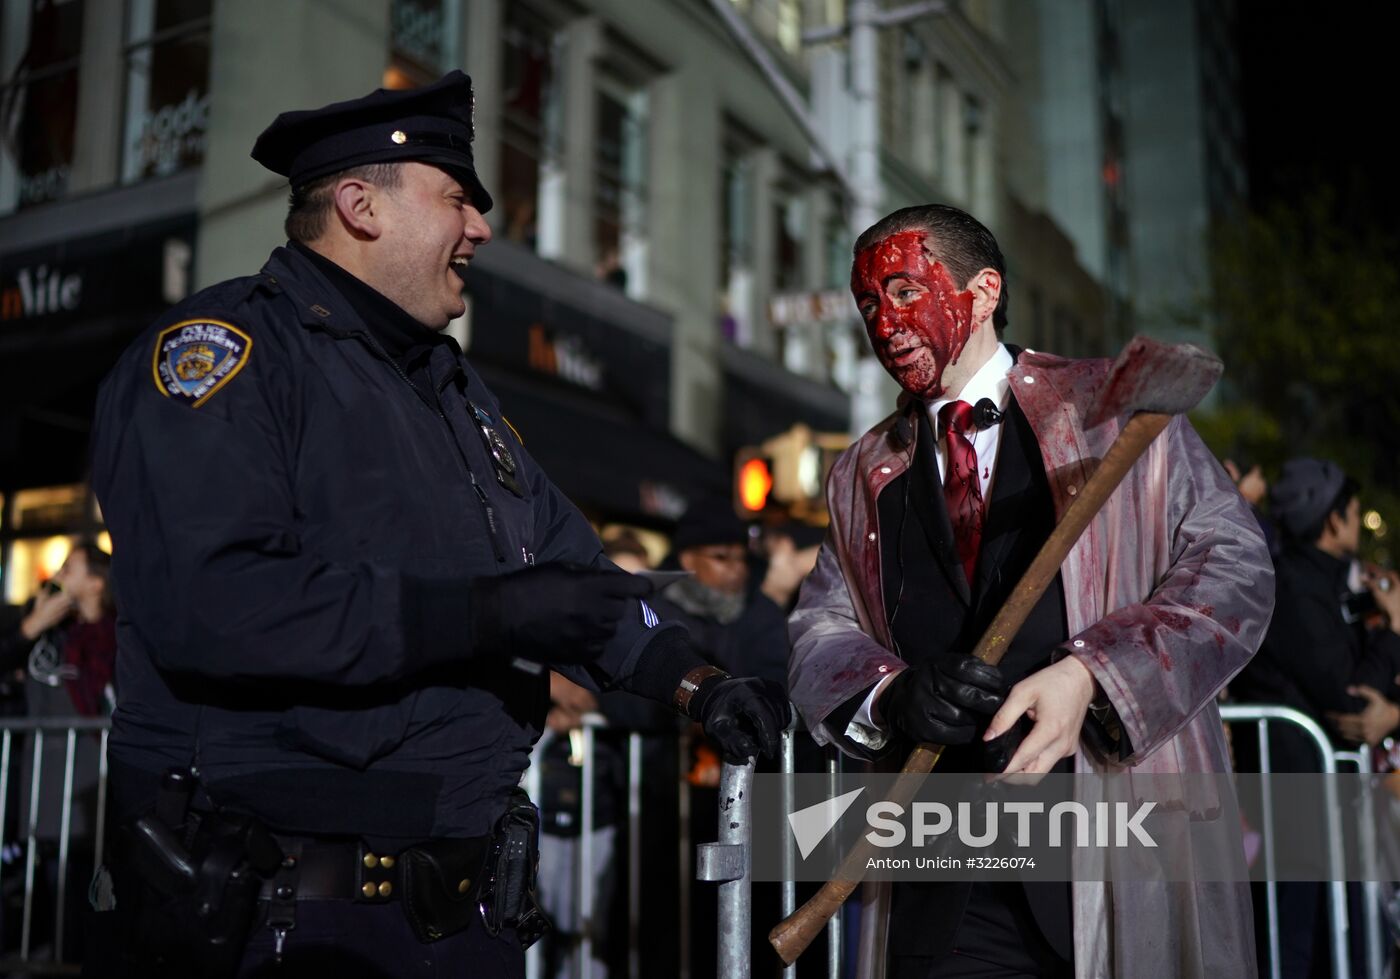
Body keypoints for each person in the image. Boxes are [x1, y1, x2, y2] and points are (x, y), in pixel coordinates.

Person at [85, 71, 788, 979]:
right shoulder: (230, 357)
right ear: (360, 206)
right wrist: (484, 613)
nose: (481, 227)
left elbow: (582, 582)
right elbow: (213, 602)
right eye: (457, 197)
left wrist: (697, 682)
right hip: (287, 925)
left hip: (462, 920)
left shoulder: (458, 395)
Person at [787, 204, 1274, 978]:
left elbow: (1234, 569)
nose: (884, 323)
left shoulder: (1112, 412)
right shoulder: (862, 472)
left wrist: (1095, 674)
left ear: (984, 291)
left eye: (906, 291)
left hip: (1111, 861)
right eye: (869, 304)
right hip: (943, 882)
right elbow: (821, 626)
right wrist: (891, 693)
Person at [1229, 458, 1400, 977]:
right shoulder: (1292, 589)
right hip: (1296, 808)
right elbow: (1352, 700)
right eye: (1354, 510)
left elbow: (1369, 696)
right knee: (1298, 949)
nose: (1358, 519)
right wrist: (1394, 629)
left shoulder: (1329, 585)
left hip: (1328, 807)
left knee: (1352, 947)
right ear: (1332, 519)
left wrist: (1390, 710)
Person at [0, 540, 116, 958]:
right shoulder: (45, 632)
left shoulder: (117, 636)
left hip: (92, 797)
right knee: (52, 909)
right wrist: (32, 626)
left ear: (97, 583)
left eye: (70, 567)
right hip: (44, 799)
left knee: (89, 911)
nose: (58, 575)